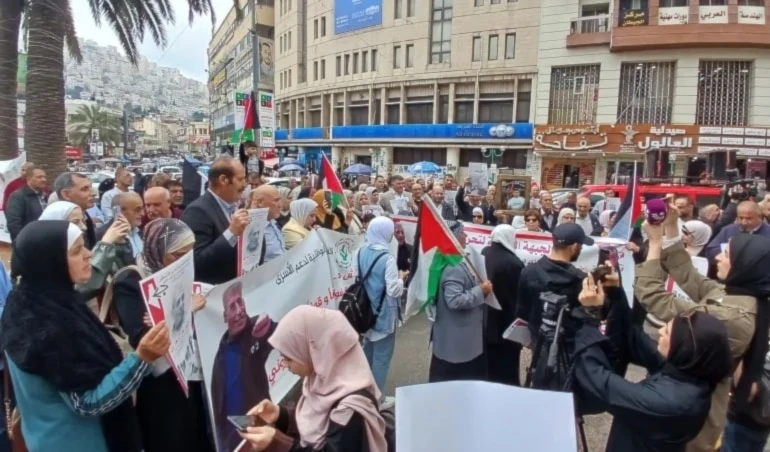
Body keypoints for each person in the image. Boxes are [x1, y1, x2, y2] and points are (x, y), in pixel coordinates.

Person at [0, 220, 170, 452]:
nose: (89, 254)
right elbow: (88, 403)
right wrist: (142, 358)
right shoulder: (51, 324)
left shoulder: (31, 300)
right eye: (77, 250)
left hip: (46, 437)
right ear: (51, 262)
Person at [635, 208, 765, 451]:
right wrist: (672, 227)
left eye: (726, 254)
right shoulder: (737, 294)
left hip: (696, 423)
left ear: (745, 264)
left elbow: (654, 297)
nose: (717, 258)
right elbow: (689, 275)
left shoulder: (734, 317)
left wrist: (654, 244)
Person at [572, 268, 731, 452]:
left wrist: (589, 316)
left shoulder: (672, 402)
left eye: (668, 332)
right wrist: (616, 292)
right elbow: (634, 338)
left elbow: (601, 384)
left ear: (684, 349)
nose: (661, 331)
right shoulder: (689, 372)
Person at [112, 218, 212, 452]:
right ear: (157, 250)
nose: (183, 262)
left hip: (187, 371)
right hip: (158, 382)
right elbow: (141, 335)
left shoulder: (183, 273)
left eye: (188, 255)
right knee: (169, 437)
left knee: (195, 432)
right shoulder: (131, 280)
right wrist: (186, 310)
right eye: (176, 256)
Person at [239, 306, 387, 452]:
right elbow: (316, 425)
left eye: (289, 358)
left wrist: (276, 443)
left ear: (313, 350)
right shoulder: (321, 379)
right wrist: (279, 415)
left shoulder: (349, 410)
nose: (284, 365)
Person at [516, 223, 593, 389]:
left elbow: (521, 311)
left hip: (539, 341)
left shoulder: (529, 272)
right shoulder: (581, 280)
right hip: (569, 347)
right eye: (580, 246)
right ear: (574, 247)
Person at [210, 281, 277, 452]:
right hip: (231, 436)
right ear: (225, 316)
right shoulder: (221, 350)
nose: (239, 310)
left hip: (256, 427)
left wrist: (269, 327)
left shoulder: (256, 328)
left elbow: (278, 333)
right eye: (233, 306)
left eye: (240, 302)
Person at [429, 221, 493, 382]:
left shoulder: (448, 260)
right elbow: (454, 300)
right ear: (455, 238)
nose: (466, 236)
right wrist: (481, 290)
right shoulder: (453, 267)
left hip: (454, 336)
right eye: (463, 233)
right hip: (458, 341)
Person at [37, 201, 130, 301]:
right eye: (75, 222)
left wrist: (119, 242)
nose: (84, 227)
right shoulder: (47, 258)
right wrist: (105, 244)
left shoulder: (82, 244)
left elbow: (121, 272)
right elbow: (82, 287)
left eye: (83, 221)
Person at [355, 217, 404, 400]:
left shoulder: (359, 252)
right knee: (382, 358)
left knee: (368, 354)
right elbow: (393, 289)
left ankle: (365, 393)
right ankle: (377, 398)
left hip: (365, 312)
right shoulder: (387, 258)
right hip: (384, 314)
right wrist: (402, 278)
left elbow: (357, 279)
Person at [181, 157, 249, 285]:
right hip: (214, 294)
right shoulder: (197, 211)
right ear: (223, 180)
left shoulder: (235, 206)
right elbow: (197, 262)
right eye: (240, 179)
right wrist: (231, 233)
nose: (244, 185)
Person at [483, 225, 525, 386]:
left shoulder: (485, 253)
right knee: (506, 369)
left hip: (485, 320)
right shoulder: (514, 263)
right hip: (507, 323)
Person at [705, 201, 770, 261]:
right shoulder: (728, 230)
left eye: (749, 218)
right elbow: (710, 251)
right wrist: (732, 251)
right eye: (741, 218)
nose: (744, 222)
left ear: (759, 217)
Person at [54, 172, 99, 249]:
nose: (93, 193)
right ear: (66, 194)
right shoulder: (58, 230)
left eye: (91, 187)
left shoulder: (87, 218)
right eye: (85, 189)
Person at [6, 165, 47, 242]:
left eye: (44, 177)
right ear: (28, 179)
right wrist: (23, 242)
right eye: (39, 177)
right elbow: (14, 224)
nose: (44, 179)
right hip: (28, 243)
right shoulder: (18, 196)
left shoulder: (45, 195)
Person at [250, 185, 286, 263]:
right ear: (260, 202)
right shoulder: (250, 229)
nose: (281, 205)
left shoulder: (273, 222)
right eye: (276, 200)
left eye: (280, 200)